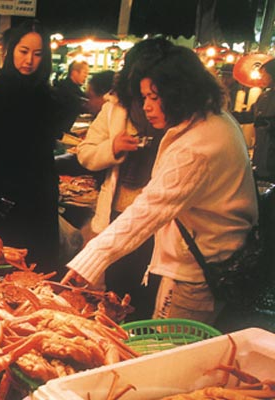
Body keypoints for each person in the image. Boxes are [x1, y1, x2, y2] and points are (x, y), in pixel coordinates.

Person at [65, 45, 258, 325]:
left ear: (178, 91)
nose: (146, 106)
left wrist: (90, 259)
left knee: (169, 347)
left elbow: (148, 208)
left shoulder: (197, 146)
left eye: (154, 98)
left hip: (195, 273)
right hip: (212, 258)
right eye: (144, 97)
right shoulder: (215, 118)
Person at [76, 38, 173, 321]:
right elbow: (86, 153)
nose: (148, 102)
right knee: (116, 292)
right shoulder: (115, 107)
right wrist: (113, 147)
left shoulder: (176, 109)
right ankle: (119, 341)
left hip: (161, 219)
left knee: (148, 294)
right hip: (119, 213)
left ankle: (138, 346)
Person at [0, 19, 61, 273]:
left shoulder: (49, 97)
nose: (29, 60)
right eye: (23, 51)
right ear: (10, 50)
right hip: (2, 205)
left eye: (37, 54)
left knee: (39, 271)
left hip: (40, 201)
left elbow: (44, 153)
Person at [54, 60, 90, 133]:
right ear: (74, 73)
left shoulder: (65, 86)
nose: (86, 76)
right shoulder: (66, 90)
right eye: (85, 72)